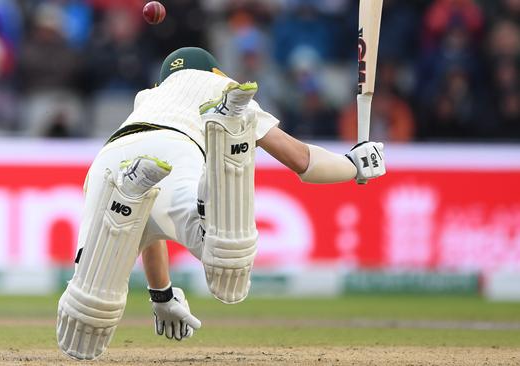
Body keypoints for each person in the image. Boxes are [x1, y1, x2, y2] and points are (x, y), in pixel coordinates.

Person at [56, 47, 386, 360]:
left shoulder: (148, 97)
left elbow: (146, 230)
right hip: (178, 149)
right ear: (215, 71)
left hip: (109, 163)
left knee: (88, 313)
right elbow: (301, 159)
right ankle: (223, 157)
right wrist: (354, 164)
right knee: (228, 262)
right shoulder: (223, 87)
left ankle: (137, 191)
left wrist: (163, 296)